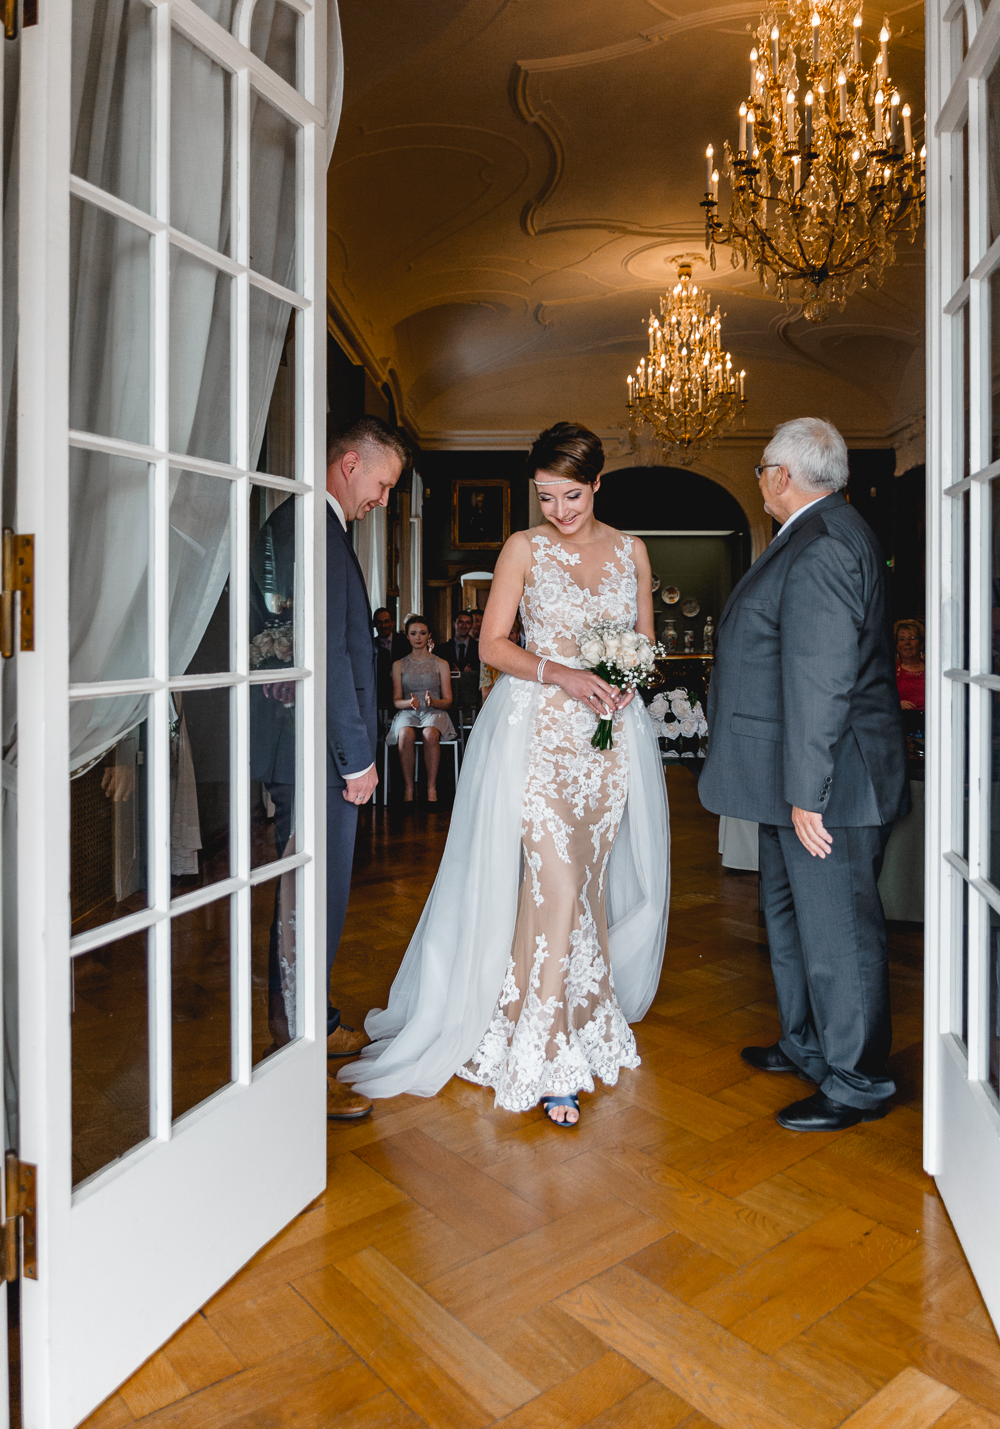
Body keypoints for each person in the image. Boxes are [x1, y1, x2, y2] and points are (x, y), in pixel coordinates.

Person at [341, 422, 670, 1127]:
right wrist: (566, 674)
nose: (560, 510)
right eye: (547, 497)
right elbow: (493, 646)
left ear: (598, 484)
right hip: (541, 740)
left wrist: (625, 679)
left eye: (572, 495)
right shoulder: (523, 548)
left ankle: (574, 1014)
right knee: (551, 883)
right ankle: (547, 1055)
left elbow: (643, 644)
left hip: (608, 750)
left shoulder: (633, 552)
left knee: (584, 886)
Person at [699, 417, 908, 1133]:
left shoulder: (823, 545)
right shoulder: (817, 535)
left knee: (839, 934)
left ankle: (859, 1081)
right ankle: (807, 1042)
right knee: (788, 918)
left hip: (831, 785)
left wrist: (808, 794)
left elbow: (823, 680)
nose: (760, 479)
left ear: (782, 477)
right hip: (798, 779)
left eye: (761, 468)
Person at [283, 414, 409, 1119]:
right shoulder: (318, 530)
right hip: (322, 755)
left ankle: (316, 1021)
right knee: (312, 903)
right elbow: (330, 655)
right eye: (383, 485)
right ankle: (297, 1056)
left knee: (316, 902)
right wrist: (357, 757)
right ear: (350, 463)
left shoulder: (317, 527)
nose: (382, 501)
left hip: (315, 747)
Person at [387, 616, 456, 804]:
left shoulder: (441, 663)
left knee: (430, 734)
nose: (418, 637)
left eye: (423, 633)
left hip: (434, 711)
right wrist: (409, 703)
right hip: (408, 711)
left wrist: (433, 701)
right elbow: (396, 701)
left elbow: (448, 701)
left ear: (429, 635)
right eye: (413, 633)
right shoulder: (399, 664)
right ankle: (409, 788)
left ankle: (431, 788)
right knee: (405, 733)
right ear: (407, 637)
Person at [373, 606, 411, 715]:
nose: (383, 626)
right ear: (374, 624)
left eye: (386, 622)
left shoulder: (405, 641)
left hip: (404, 691)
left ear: (393, 623)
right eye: (379, 622)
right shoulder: (370, 645)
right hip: (380, 693)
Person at [894, 619, 925, 711]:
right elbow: (881, 698)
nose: (907, 642)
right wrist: (896, 703)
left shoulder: (933, 668)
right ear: (897, 646)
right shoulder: (891, 670)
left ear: (921, 645)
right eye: (902, 639)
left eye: (912, 638)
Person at [436, 611, 479, 676]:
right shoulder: (441, 649)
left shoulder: (479, 648)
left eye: (468, 623)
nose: (464, 626)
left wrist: (471, 673)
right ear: (454, 624)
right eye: (460, 622)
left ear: (471, 626)